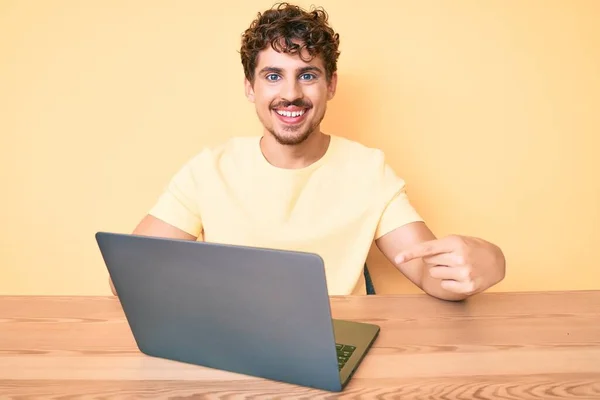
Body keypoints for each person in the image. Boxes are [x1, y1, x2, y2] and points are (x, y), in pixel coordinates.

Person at [110, 2, 505, 300]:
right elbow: (124, 278)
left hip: (336, 344)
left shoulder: (368, 170)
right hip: (235, 345)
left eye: (308, 75)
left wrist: (490, 262)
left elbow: (430, 275)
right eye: (272, 76)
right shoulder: (208, 171)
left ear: (330, 85)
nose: (291, 94)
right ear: (250, 88)